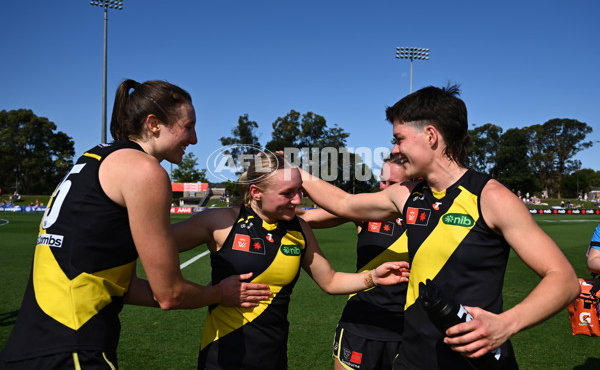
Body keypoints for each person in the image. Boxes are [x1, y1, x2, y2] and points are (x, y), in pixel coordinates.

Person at [299, 84, 579, 369]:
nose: (395, 149)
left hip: (476, 363)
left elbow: (564, 279)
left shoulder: (491, 197)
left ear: (431, 136)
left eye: (399, 139)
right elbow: (345, 203)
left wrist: (506, 324)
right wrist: (294, 173)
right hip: (411, 359)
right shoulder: (407, 194)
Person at [0, 79, 270, 370]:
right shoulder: (145, 171)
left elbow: (123, 287)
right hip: (73, 348)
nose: (193, 139)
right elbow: (170, 294)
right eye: (188, 126)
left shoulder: (94, 157)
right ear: (153, 124)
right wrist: (220, 293)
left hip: (28, 346)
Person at [171, 152, 410, 370]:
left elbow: (330, 280)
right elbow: (154, 244)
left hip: (273, 357)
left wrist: (373, 277)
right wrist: (214, 293)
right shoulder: (220, 222)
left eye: (299, 191)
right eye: (287, 193)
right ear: (256, 192)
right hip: (221, 357)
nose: (297, 200)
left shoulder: (300, 229)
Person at [298, 154, 409, 370]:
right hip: (361, 324)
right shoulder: (367, 210)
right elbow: (306, 217)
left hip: (409, 328)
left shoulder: (430, 219)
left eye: (393, 183)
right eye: (382, 180)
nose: (385, 187)